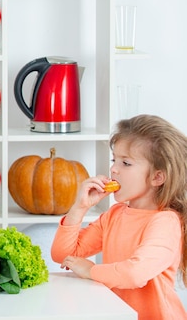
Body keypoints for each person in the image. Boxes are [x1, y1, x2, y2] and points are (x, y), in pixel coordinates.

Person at [51, 114, 187, 320]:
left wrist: (92, 271)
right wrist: (79, 207)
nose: (114, 169)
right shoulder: (114, 214)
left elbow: (135, 273)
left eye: (126, 163)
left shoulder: (165, 222)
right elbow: (65, 255)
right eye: (115, 160)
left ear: (157, 177)